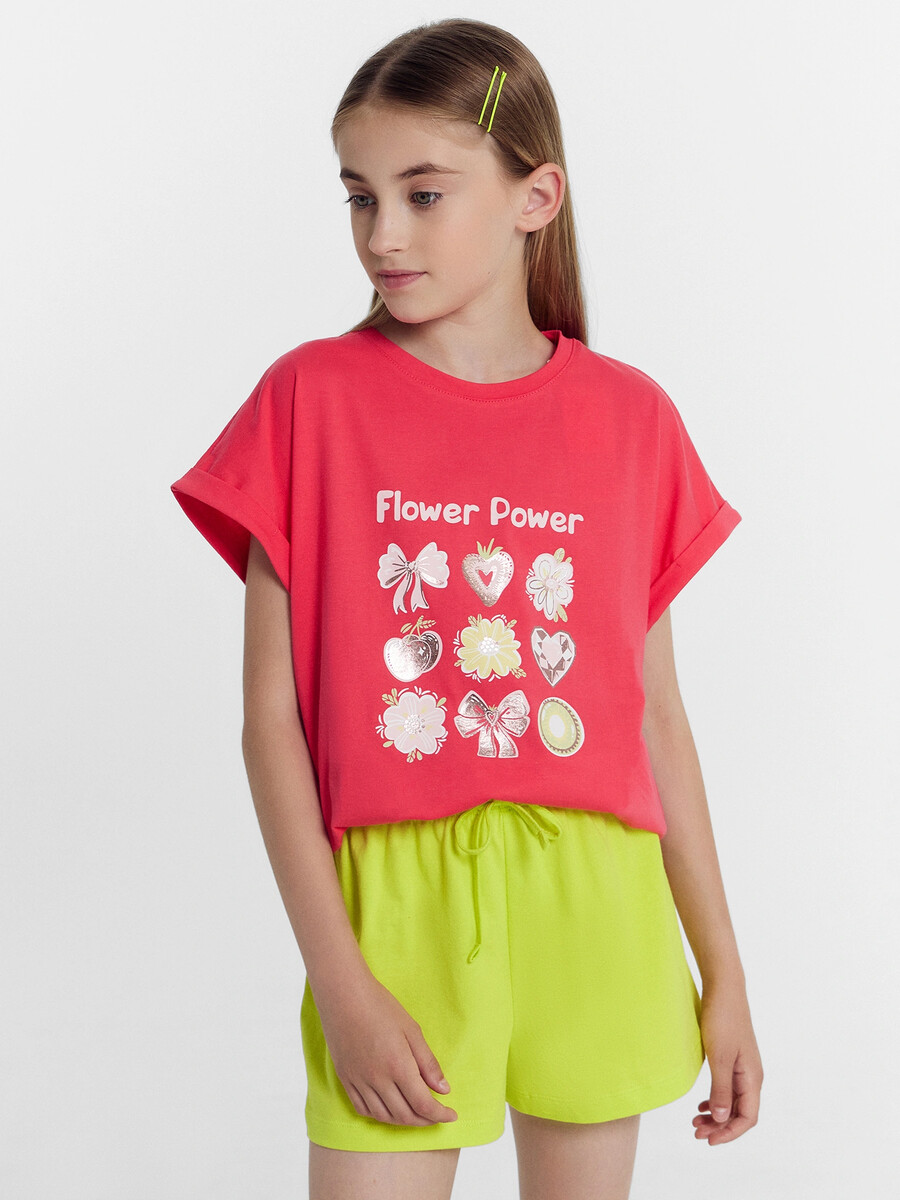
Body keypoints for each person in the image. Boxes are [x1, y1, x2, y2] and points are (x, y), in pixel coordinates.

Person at [170, 17, 762, 1200]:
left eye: (423, 194)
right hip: (397, 910)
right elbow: (270, 725)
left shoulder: (630, 419)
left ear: (536, 197)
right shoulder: (310, 401)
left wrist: (727, 974)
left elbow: (654, 718)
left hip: (598, 898)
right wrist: (342, 982)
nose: (382, 234)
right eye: (359, 196)